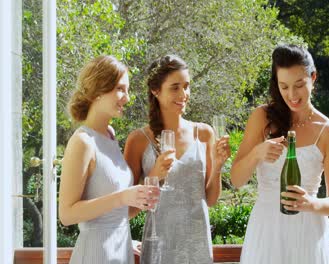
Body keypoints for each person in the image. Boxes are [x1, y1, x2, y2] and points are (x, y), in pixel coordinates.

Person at [230, 44, 329, 264]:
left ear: (314, 77)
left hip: (309, 233)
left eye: (299, 85)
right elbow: (236, 179)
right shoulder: (262, 117)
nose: (292, 95)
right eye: (284, 87)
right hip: (265, 231)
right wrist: (257, 153)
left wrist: (311, 204)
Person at [124, 54, 231, 264]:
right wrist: (155, 175)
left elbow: (209, 200)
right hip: (159, 248)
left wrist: (218, 166)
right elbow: (126, 209)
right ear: (156, 91)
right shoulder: (138, 140)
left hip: (197, 247)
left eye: (187, 86)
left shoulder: (204, 133)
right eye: (175, 87)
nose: (184, 94)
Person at [59, 55, 158, 264]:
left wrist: (137, 200)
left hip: (120, 251)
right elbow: (66, 214)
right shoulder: (83, 142)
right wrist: (123, 197)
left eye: (127, 90)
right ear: (98, 91)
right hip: (95, 255)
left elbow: (115, 212)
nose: (127, 98)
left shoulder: (110, 135)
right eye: (120, 89)